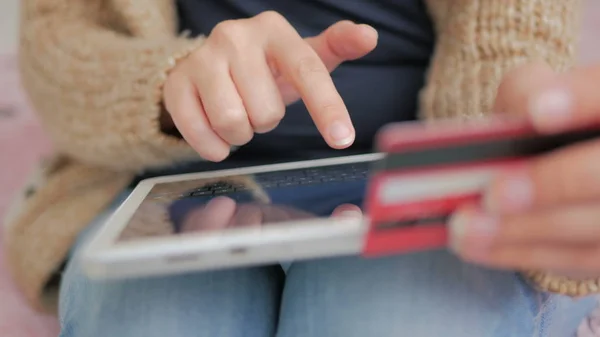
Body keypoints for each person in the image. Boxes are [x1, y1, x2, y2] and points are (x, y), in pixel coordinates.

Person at [4, 0, 599, 336]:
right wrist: (167, 88)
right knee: (161, 323)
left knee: (388, 320)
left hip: (417, 189)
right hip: (163, 184)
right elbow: (60, 50)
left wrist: (497, 139)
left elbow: (509, 47)